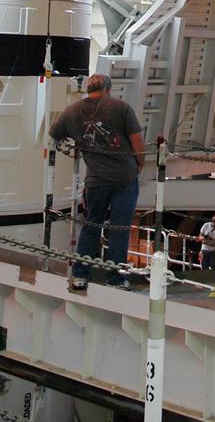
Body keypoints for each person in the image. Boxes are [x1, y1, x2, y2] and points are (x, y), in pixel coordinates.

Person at [49, 73, 145, 293]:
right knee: (119, 229)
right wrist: (140, 162)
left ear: (87, 89)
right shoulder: (120, 107)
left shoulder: (71, 112)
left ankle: (80, 276)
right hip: (124, 178)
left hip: (95, 180)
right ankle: (115, 279)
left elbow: (54, 133)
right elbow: (137, 140)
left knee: (92, 226)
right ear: (108, 89)